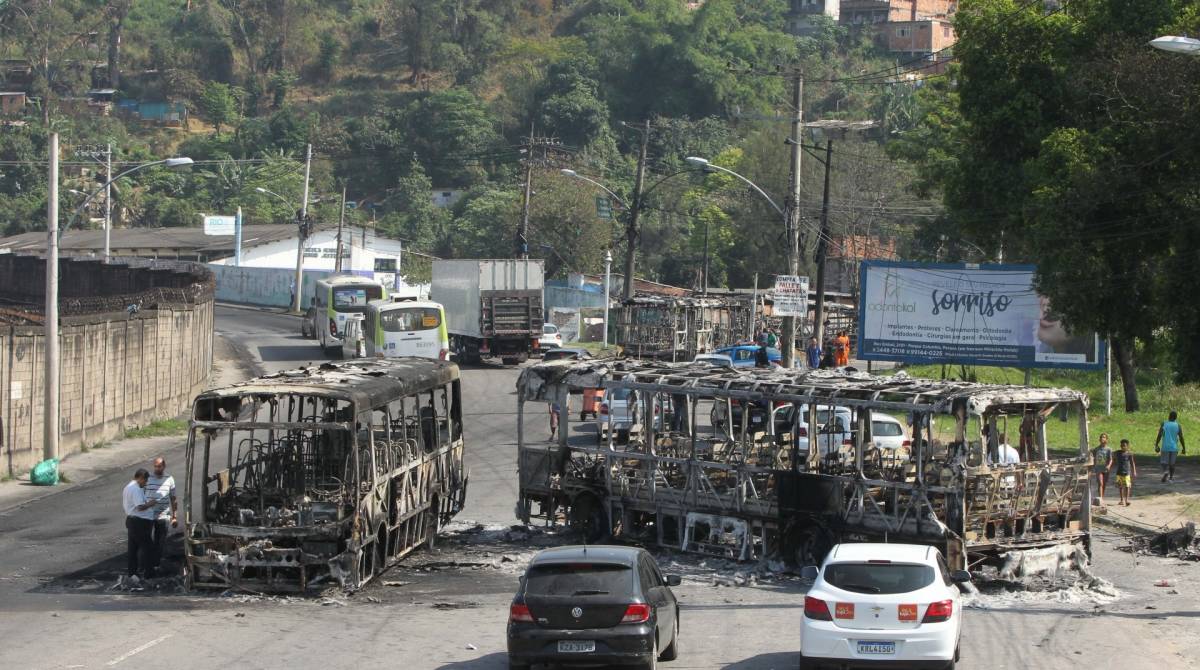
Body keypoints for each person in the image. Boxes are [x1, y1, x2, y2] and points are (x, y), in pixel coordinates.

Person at [122, 468, 157, 585]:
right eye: (145, 481)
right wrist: (150, 503)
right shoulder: (136, 488)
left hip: (132, 521)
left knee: (133, 549)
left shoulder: (128, 487)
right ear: (141, 478)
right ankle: (148, 573)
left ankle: (132, 573)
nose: (145, 483)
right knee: (148, 548)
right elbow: (140, 506)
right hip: (139, 522)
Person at [146, 457, 178, 577]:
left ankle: (156, 565)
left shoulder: (169, 479)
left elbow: (173, 498)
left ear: (164, 466)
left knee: (160, 541)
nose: (157, 469)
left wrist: (175, 516)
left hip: (163, 515)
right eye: (155, 466)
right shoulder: (148, 478)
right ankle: (147, 565)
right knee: (147, 541)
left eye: (159, 466)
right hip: (148, 515)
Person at [1154, 411, 1186, 483]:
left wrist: (1156, 444)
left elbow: (1160, 434)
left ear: (1169, 416)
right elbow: (1181, 437)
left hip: (1165, 447)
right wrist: (1184, 448)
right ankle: (1171, 478)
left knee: (1163, 462)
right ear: (1176, 417)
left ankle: (1165, 471)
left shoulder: (1164, 424)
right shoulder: (1178, 425)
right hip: (1174, 447)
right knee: (1172, 464)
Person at [1092, 433, 1113, 505]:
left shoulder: (1109, 449)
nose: (1102, 439)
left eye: (1104, 437)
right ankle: (1100, 498)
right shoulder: (1096, 449)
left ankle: (1102, 497)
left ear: (1106, 439)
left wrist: (1109, 465)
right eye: (1101, 437)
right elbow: (1093, 457)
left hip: (1106, 469)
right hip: (1098, 468)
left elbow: (1111, 459)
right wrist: (1094, 465)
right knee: (1100, 483)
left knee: (1104, 484)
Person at [1114, 439, 1136, 506]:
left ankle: (1127, 500)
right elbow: (1112, 457)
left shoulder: (1129, 454)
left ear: (1127, 446)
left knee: (1127, 486)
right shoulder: (1117, 453)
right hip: (1119, 472)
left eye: (1124, 445)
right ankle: (1121, 500)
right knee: (1120, 486)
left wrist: (1134, 471)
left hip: (1127, 472)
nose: (1123, 447)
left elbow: (1132, 463)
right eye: (1122, 445)